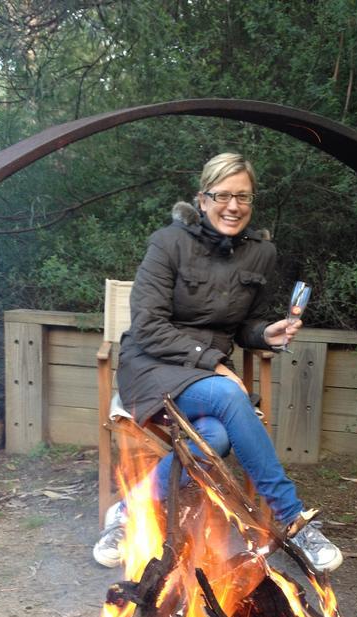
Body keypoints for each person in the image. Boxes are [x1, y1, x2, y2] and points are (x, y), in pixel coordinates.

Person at [93, 152, 342, 574]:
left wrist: (266, 334)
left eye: (243, 196)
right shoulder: (168, 243)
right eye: (223, 195)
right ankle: (294, 521)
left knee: (214, 437)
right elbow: (148, 325)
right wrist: (212, 363)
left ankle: (127, 509)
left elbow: (244, 324)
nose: (233, 206)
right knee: (228, 393)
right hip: (154, 367)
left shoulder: (261, 254)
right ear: (202, 199)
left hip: (205, 379)